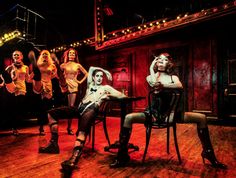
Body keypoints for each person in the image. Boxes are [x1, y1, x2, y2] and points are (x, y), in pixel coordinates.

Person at [110, 53, 227, 169]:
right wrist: (151, 68)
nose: (161, 60)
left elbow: (179, 86)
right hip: (154, 113)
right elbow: (154, 84)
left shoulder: (173, 77)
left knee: (201, 118)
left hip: (172, 113)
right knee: (128, 117)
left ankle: (208, 153)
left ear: (169, 63)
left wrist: (163, 86)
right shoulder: (150, 76)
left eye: (164, 59)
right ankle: (122, 155)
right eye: (159, 59)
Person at [38, 66, 127, 171]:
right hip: (79, 108)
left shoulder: (105, 88)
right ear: (93, 77)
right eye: (97, 76)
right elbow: (91, 69)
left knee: (82, 132)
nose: (99, 78)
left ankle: (73, 159)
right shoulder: (90, 85)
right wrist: (104, 70)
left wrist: (108, 97)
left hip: (91, 110)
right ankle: (53, 144)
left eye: (101, 76)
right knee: (51, 113)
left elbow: (122, 96)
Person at [60, 48, 88, 135]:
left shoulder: (77, 65)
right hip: (65, 85)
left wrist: (79, 82)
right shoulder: (63, 65)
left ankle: (69, 127)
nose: (71, 55)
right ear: (67, 55)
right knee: (65, 106)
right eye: (70, 53)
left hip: (74, 85)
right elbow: (58, 75)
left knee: (71, 107)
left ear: (75, 56)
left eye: (73, 54)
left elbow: (86, 73)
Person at [30, 50, 58, 135]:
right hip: (40, 83)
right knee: (41, 107)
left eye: (46, 54)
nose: (45, 55)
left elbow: (54, 75)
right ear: (41, 55)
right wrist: (31, 79)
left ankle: (49, 124)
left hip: (48, 85)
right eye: (43, 54)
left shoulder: (52, 65)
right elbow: (32, 76)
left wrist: (50, 75)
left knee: (48, 107)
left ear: (49, 56)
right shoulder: (38, 65)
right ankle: (41, 127)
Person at [4, 50, 31, 135]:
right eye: (14, 55)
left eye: (17, 55)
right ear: (13, 57)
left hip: (22, 89)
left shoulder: (25, 67)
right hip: (13, 90)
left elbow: (28, 79)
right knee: (14, 109)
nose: (16, 56)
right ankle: (14, 128)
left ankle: (15, 126)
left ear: (21, 56)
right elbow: (3, 76)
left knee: (19, 109)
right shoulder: (10, 67)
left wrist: (36, 76)